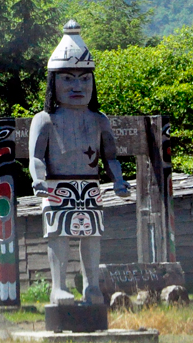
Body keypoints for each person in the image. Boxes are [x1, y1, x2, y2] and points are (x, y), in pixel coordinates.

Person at [28, 20, 130, 306]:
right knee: (59, 234)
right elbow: (36, 156)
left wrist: (118, 180)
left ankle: (92, 287)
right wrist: (38, 178)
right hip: (57, 185)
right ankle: (58, 287)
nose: (77, 86)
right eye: (68, 79)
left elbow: (110, 156)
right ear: (54, 81)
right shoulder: (45, 119)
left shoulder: (99, 119)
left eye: (85, 79)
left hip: (90, 185)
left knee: (91, 235)